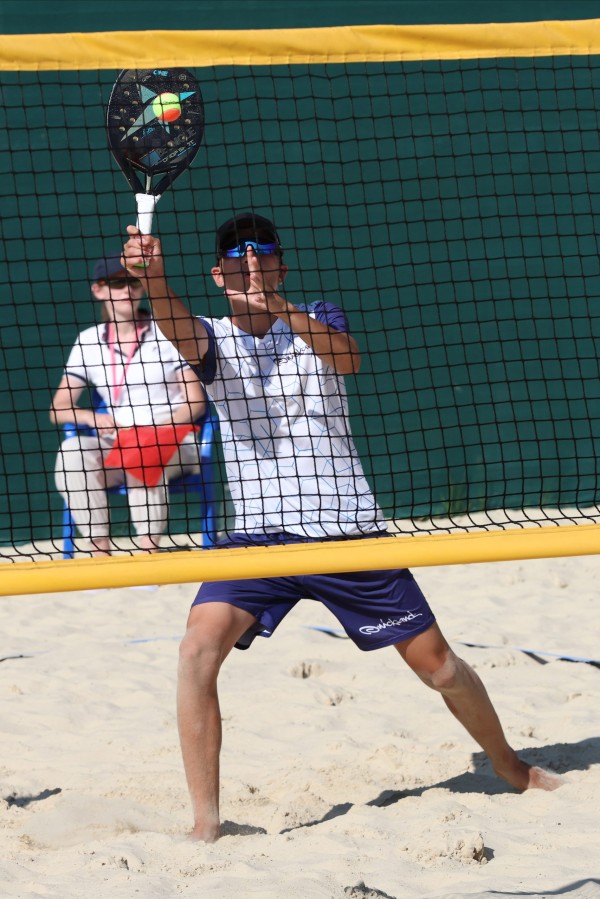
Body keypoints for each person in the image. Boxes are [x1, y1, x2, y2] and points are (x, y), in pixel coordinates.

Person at [121, 212, 562, 841]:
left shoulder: (318, 317)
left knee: (439, 669)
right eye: (239, 260)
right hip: (258, 540)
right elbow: (174, 322)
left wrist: (279, 307)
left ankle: (509, 765)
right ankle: (206, 825)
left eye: (264, 257)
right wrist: (153, 278)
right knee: (195, 651)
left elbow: (347, 358)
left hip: (342, 528)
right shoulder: (210, 339)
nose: (253, 267)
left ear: (282, 267)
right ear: (218, 276)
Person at [50, 253, 207, 556]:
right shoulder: (88, 341)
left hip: (173, 442)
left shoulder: (167, 332)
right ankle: (100, 553)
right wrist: (91, 418)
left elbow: (195, 402)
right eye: (117, 283)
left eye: (134, 282)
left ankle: (148, 554)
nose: (127, 290)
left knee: (143, 452)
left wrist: (156, 431)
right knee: (72, 454)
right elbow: (58, 408)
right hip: (117, 442)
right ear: (98, 290)